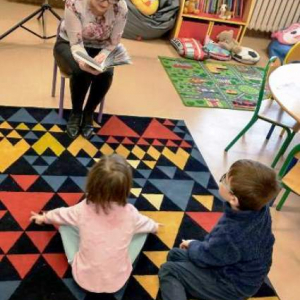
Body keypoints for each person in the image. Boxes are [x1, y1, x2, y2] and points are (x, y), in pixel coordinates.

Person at [30, 154, 159, 294]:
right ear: (126, 188)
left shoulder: (82, 209)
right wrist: (155, 226)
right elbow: (148, 224)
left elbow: (60, 214)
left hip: (83, 278)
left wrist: (44, 218)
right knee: (142, 231)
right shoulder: (132, 214)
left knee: (65, 225)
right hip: (117, 281)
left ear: (92, 182)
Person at [159, 159, 280, 300]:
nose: (221, 180)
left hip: (230, 285)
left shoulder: (231, 233)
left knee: (169, 270)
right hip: (239, 270)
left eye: (224, 179)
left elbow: (207, 257)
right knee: (174, 254)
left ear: (234, 199)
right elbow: (218, 250)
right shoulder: (260, 208)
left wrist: (192, 244)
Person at [54, 0, 128, 139]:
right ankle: (76, 112)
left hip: (100, 47)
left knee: (106, 73)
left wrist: (104, 55)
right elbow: (75, 44)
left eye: (112, 1)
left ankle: (89, 113)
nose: (106, 4)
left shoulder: (121, 7)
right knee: (82, 71)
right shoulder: (75, 2)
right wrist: (82, 61)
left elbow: (113, 43)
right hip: (68, 43)